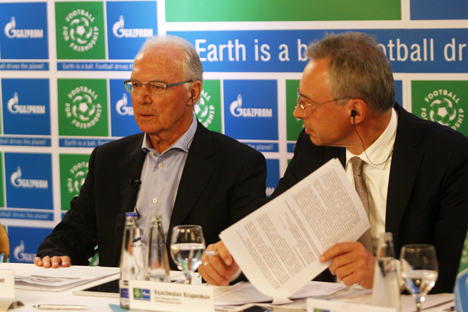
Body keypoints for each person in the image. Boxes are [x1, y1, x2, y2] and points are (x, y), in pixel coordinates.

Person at [199, 32, 468, 293]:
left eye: (307, 103)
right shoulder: (313, 148)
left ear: (355, 111)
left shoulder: (447, 156)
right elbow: (275, 230)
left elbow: (456, 272)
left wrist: (383, 274)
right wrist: (237, 262)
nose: (296, 113)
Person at [34, 35, 267, 270]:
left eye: (157, 87)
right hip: (119, 299)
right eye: (135, 85)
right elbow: (74, 232)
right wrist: (56, 252)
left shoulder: (239, 164)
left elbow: (247, 253)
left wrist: (227, 269)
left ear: (193, 93)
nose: (142, 98)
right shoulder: (107, 159)